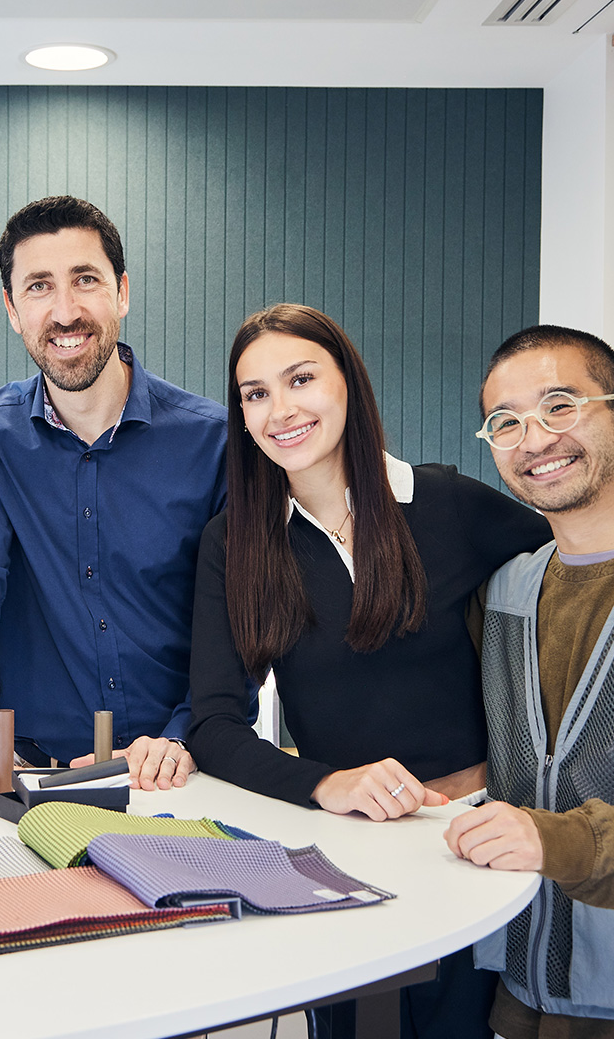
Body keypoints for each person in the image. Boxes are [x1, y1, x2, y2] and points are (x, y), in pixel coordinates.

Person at [186, 304, 553, 1039]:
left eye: (300, 379)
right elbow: (215, 725)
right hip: (345, 850)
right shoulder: (237, 542)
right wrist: (326, 782)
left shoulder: (447, 504)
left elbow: (577, 561)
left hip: (473, 843)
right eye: (255, 394)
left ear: (347, 383)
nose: (279, 409)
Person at [0, 195, 231, 811]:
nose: (65, 311)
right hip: (36, 783)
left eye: (85, 280)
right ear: (12, 308)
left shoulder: (212, 440)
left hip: (179, 775)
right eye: (39, 287)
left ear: (122, 292)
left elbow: (237, 615)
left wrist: (183, 730)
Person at [445, 325, 614, 1039]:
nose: (534, 439)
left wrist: (555, 842)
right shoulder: (505, 591)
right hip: (524, 988)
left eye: (560, 406)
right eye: (505, 423)